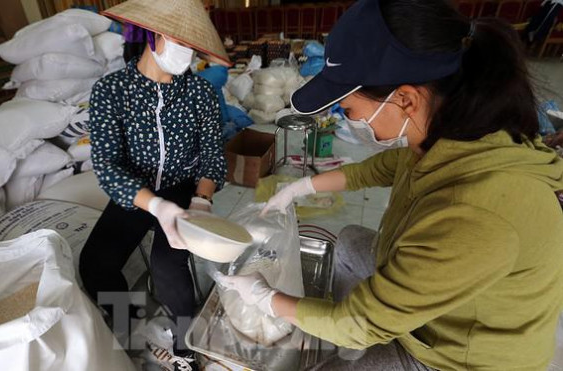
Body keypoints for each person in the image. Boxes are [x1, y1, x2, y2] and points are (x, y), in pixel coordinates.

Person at [218, 0, 563, 370]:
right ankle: (363, 315)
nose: (348, 121)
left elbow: (360, 324)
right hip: (439, 299)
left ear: (405, 98)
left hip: (459, 353)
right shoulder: (452, 136)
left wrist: (266, 299)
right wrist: (300, 188)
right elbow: (381, 168)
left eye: (348, 110)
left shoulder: (478, 211)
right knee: (349, 241)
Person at [79, 0, 231, 370]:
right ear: (153, 37)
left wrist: (201, 202)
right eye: (180, 42)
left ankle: (184, 347)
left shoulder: (200, 94)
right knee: (95, 264)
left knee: (168, 271)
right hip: (135, 192)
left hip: (182, 190)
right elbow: (107, 165)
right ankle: (128, 322)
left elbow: (213, 155)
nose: (188, 53)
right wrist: (155, 206)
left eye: (192, 46)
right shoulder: (111, 91)